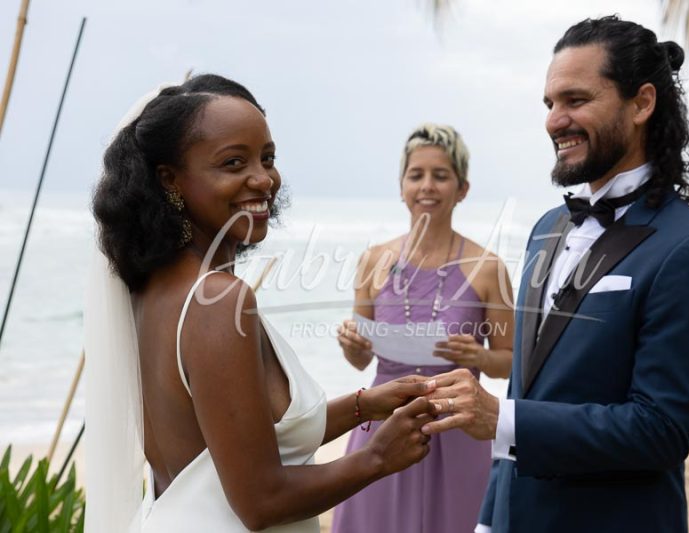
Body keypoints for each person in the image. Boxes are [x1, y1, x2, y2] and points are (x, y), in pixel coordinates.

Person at [420, 16, 689, 533]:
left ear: (641, 103)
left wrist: (502, 421)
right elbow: (524, 393)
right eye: (550, 104)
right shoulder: (546, 229)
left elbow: (661, 430)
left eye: (576, 100)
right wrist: (488, 521)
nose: (554, 120)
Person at [84, 74, 439, 533]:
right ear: (169, 180)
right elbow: (260, 501)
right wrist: (376, 457)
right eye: (233, 163)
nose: (263, 179)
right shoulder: (217, 301)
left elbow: (231, 446)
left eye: (267, 158)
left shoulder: (149, 291)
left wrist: (365, 406)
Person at [331, 123, 515, 533]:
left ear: (462, 188)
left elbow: (510, 363)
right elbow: (361, 361)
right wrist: (353, 345)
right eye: (416, 175)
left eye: (441, 175)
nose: (427, 186)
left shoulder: (488, 269)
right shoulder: (373, 260)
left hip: (459, 428)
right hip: (383, 427)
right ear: (401, 187)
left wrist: (479, 357)